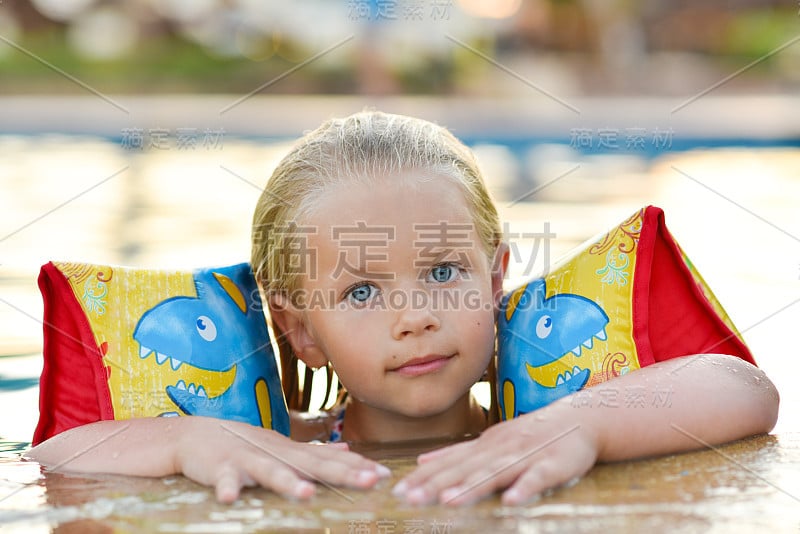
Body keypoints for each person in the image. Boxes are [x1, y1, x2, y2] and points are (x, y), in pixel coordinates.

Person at [27, 111, 779, 506]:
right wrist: (189, 441)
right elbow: (56, 455)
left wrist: (578, 425)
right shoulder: (279, 447)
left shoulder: (541, 431)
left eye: (444, 271)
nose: (413, 315)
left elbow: (745, 390)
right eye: (361, 291)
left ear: (496, 280)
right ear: (300, 331)